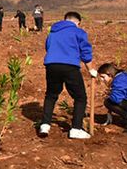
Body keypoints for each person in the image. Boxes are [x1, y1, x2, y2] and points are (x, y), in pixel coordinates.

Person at [39, 11, 97, 139]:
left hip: (51, 65)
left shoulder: (53, 32)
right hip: (70, 66)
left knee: (51, 95)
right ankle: (76, 128)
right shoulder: (78, 32)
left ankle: (45, 124)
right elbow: (85, 53)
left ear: (65, 20)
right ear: (78, 22)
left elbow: (48, 47)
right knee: (80, 97)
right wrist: (91, 70)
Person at [97, 63, 127, 133]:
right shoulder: (124, 75)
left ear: (109, 75)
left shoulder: (119, 80)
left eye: (103, 77)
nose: (102, 79)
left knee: (108, 102)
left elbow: (116, 99)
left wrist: (110, 95)